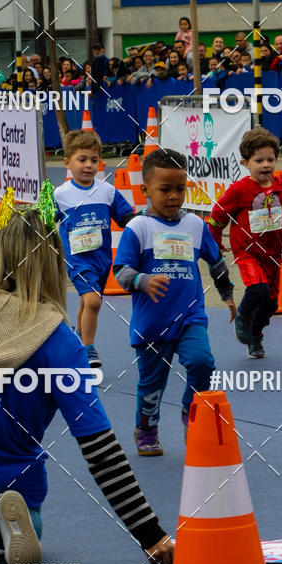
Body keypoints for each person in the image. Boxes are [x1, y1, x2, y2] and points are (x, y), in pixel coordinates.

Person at [0, 192, 173, 564]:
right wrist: (152, 536)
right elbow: (99, 448)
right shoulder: (60, 339)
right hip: (12, 478)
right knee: (30, 522)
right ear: (55, 259)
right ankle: (8, 524)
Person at [113, 149, 235, 456]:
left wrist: (227, 294)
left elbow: (216, 261)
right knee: (151, 386)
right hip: (152, 323)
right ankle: (146, 429)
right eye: (164, 189)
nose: (174, 196)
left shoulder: (194, 225)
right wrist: (143, 280)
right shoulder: (138, 228)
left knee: (202, 362)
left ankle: (189, 409)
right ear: (145, 190)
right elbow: (121, 271)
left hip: (190, 316)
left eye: (180, 189)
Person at [209, 128, 282, 359]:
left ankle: (255, 335)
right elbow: (218, 214)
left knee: (271, 304)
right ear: (245, 163)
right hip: (247, 252)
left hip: (273, 254)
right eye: (259, 160)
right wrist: (215, 240)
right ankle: (242, 316)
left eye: (270, 159)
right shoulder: (239, 190)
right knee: (257, 289)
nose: (266, 165)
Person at [55, 130, 134, 367]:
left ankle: (77, 339)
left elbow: (127, 218)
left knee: (87, 301)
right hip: (77, 260)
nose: (88, 165)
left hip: (102, 259)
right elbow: (45, 222)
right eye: (82, 160)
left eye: (94, 160)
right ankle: (88, 350)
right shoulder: (60, 194)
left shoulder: (107, 191)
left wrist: (146, 222)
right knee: (93, 301)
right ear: (67, 162)